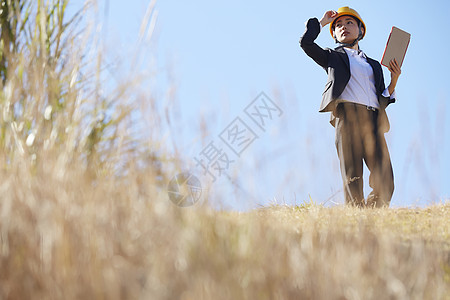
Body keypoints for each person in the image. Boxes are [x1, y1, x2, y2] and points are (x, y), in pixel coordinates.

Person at [299, 7, 402, 207]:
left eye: (349, 23)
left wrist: (394, 81)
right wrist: (322, 22)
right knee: (353, 178)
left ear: (360, 31)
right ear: (334, 33)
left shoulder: (374, 65)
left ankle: (372, 220)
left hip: (373, 121)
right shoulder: (332, 57)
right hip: (347, 119)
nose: (343, 27)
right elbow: (306, 43)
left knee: (386, 181)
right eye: (338, 25)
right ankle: (356, 222)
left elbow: (381, 100)